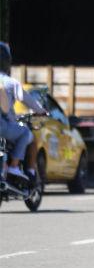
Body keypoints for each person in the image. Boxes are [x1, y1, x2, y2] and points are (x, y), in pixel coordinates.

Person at [0, 42, 46, 184]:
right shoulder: (9, 82)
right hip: (3, 125)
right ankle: (14, 167)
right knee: (26, 133)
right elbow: (29, 100)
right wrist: (41, 111)